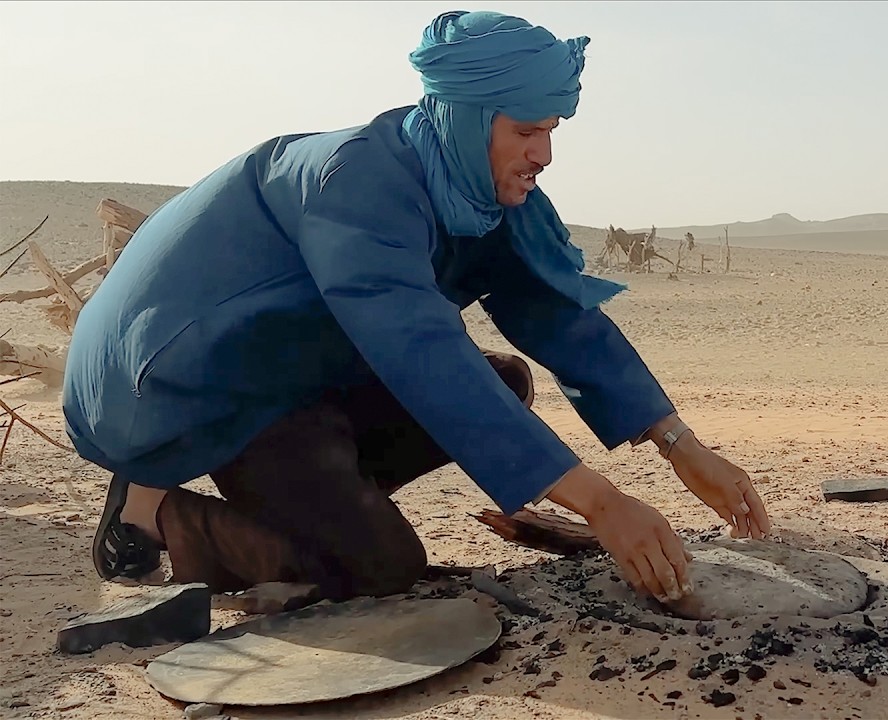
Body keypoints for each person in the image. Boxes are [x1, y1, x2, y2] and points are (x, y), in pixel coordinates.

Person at [63, 10, 770, 606]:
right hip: (190, 386)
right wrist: (603, 504)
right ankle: (154, 511)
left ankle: (322, 507)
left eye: (552, 130)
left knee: (503, 384)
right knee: (379, 571)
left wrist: (682, 445)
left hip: (296, 375)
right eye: (527, 130)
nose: (545, 153)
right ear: (468, 118)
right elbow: (421, 351)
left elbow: (558, 316)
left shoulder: (475, 188)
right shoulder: (357, 185)